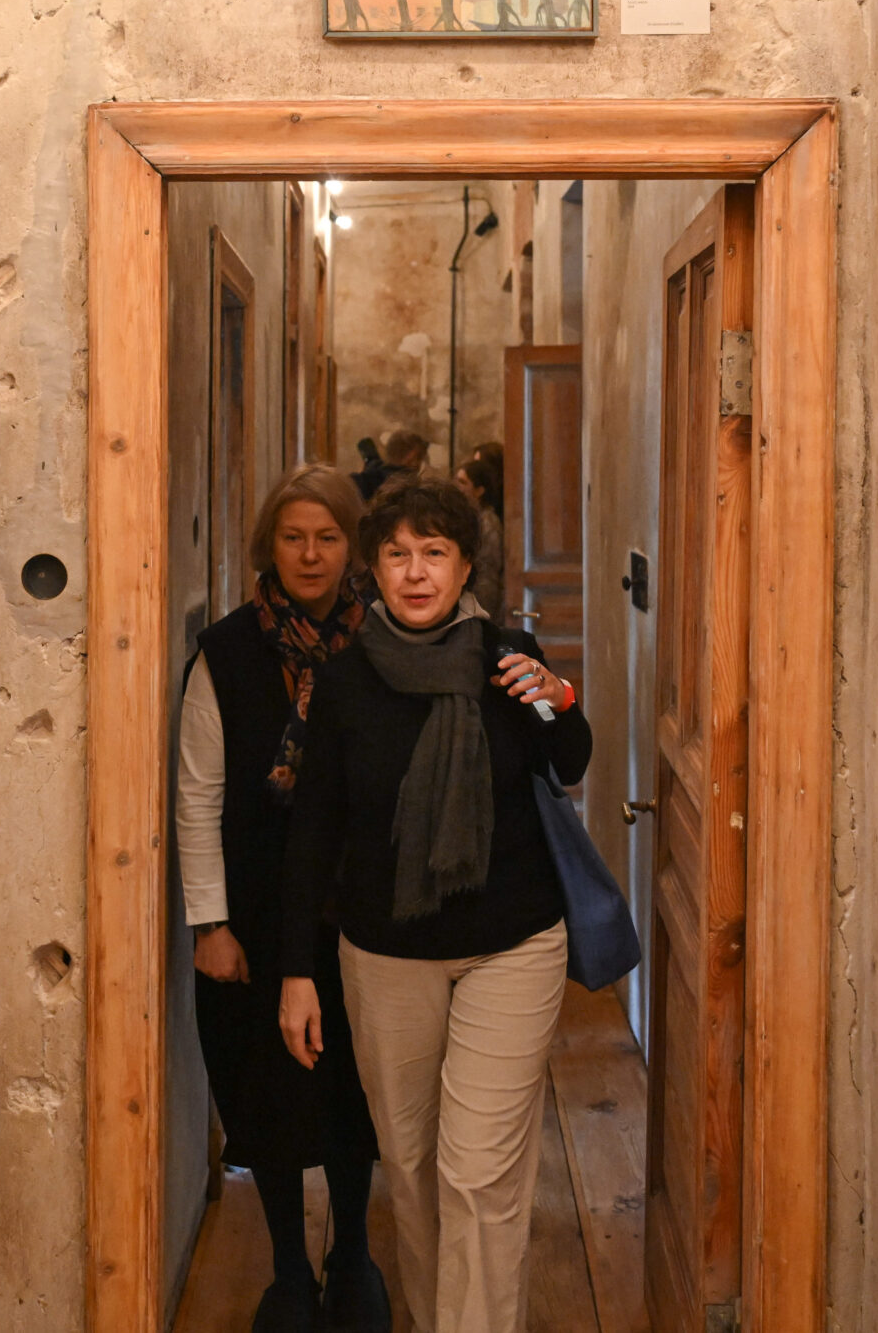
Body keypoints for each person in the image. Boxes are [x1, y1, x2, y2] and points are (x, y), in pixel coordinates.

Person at [278, 476, 590, 1333]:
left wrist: (558, 696)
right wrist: (297, 971)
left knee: (477, 1171)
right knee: (412, 1168)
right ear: (373, 570)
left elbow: (571, 757)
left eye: (435, 552)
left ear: (463, 567)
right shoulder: (344, 682)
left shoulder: (508, 657)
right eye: (397, 554)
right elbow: (313, 833)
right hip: (385, 955)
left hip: (512, 944)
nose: (416, 572)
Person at [177, 466, 390, 1333]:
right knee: (265, 1089)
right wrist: (211, 923)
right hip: (256, 908)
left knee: (354, 1090)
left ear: (353, 545)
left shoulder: (384, 639)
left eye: (328, 537)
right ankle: (289, 1270)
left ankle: (354, 1254)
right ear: (270, 544)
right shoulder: (227, 651)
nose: (310, 554)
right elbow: (197, 795)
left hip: (362, 908)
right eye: (294, 537)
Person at [452, 455, 505, 624]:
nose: (457, 486)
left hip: (481, 596)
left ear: (479, 490)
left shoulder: (488, 523)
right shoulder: (467, 517)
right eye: (457, 480)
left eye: (463, 482)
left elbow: (488, 571)